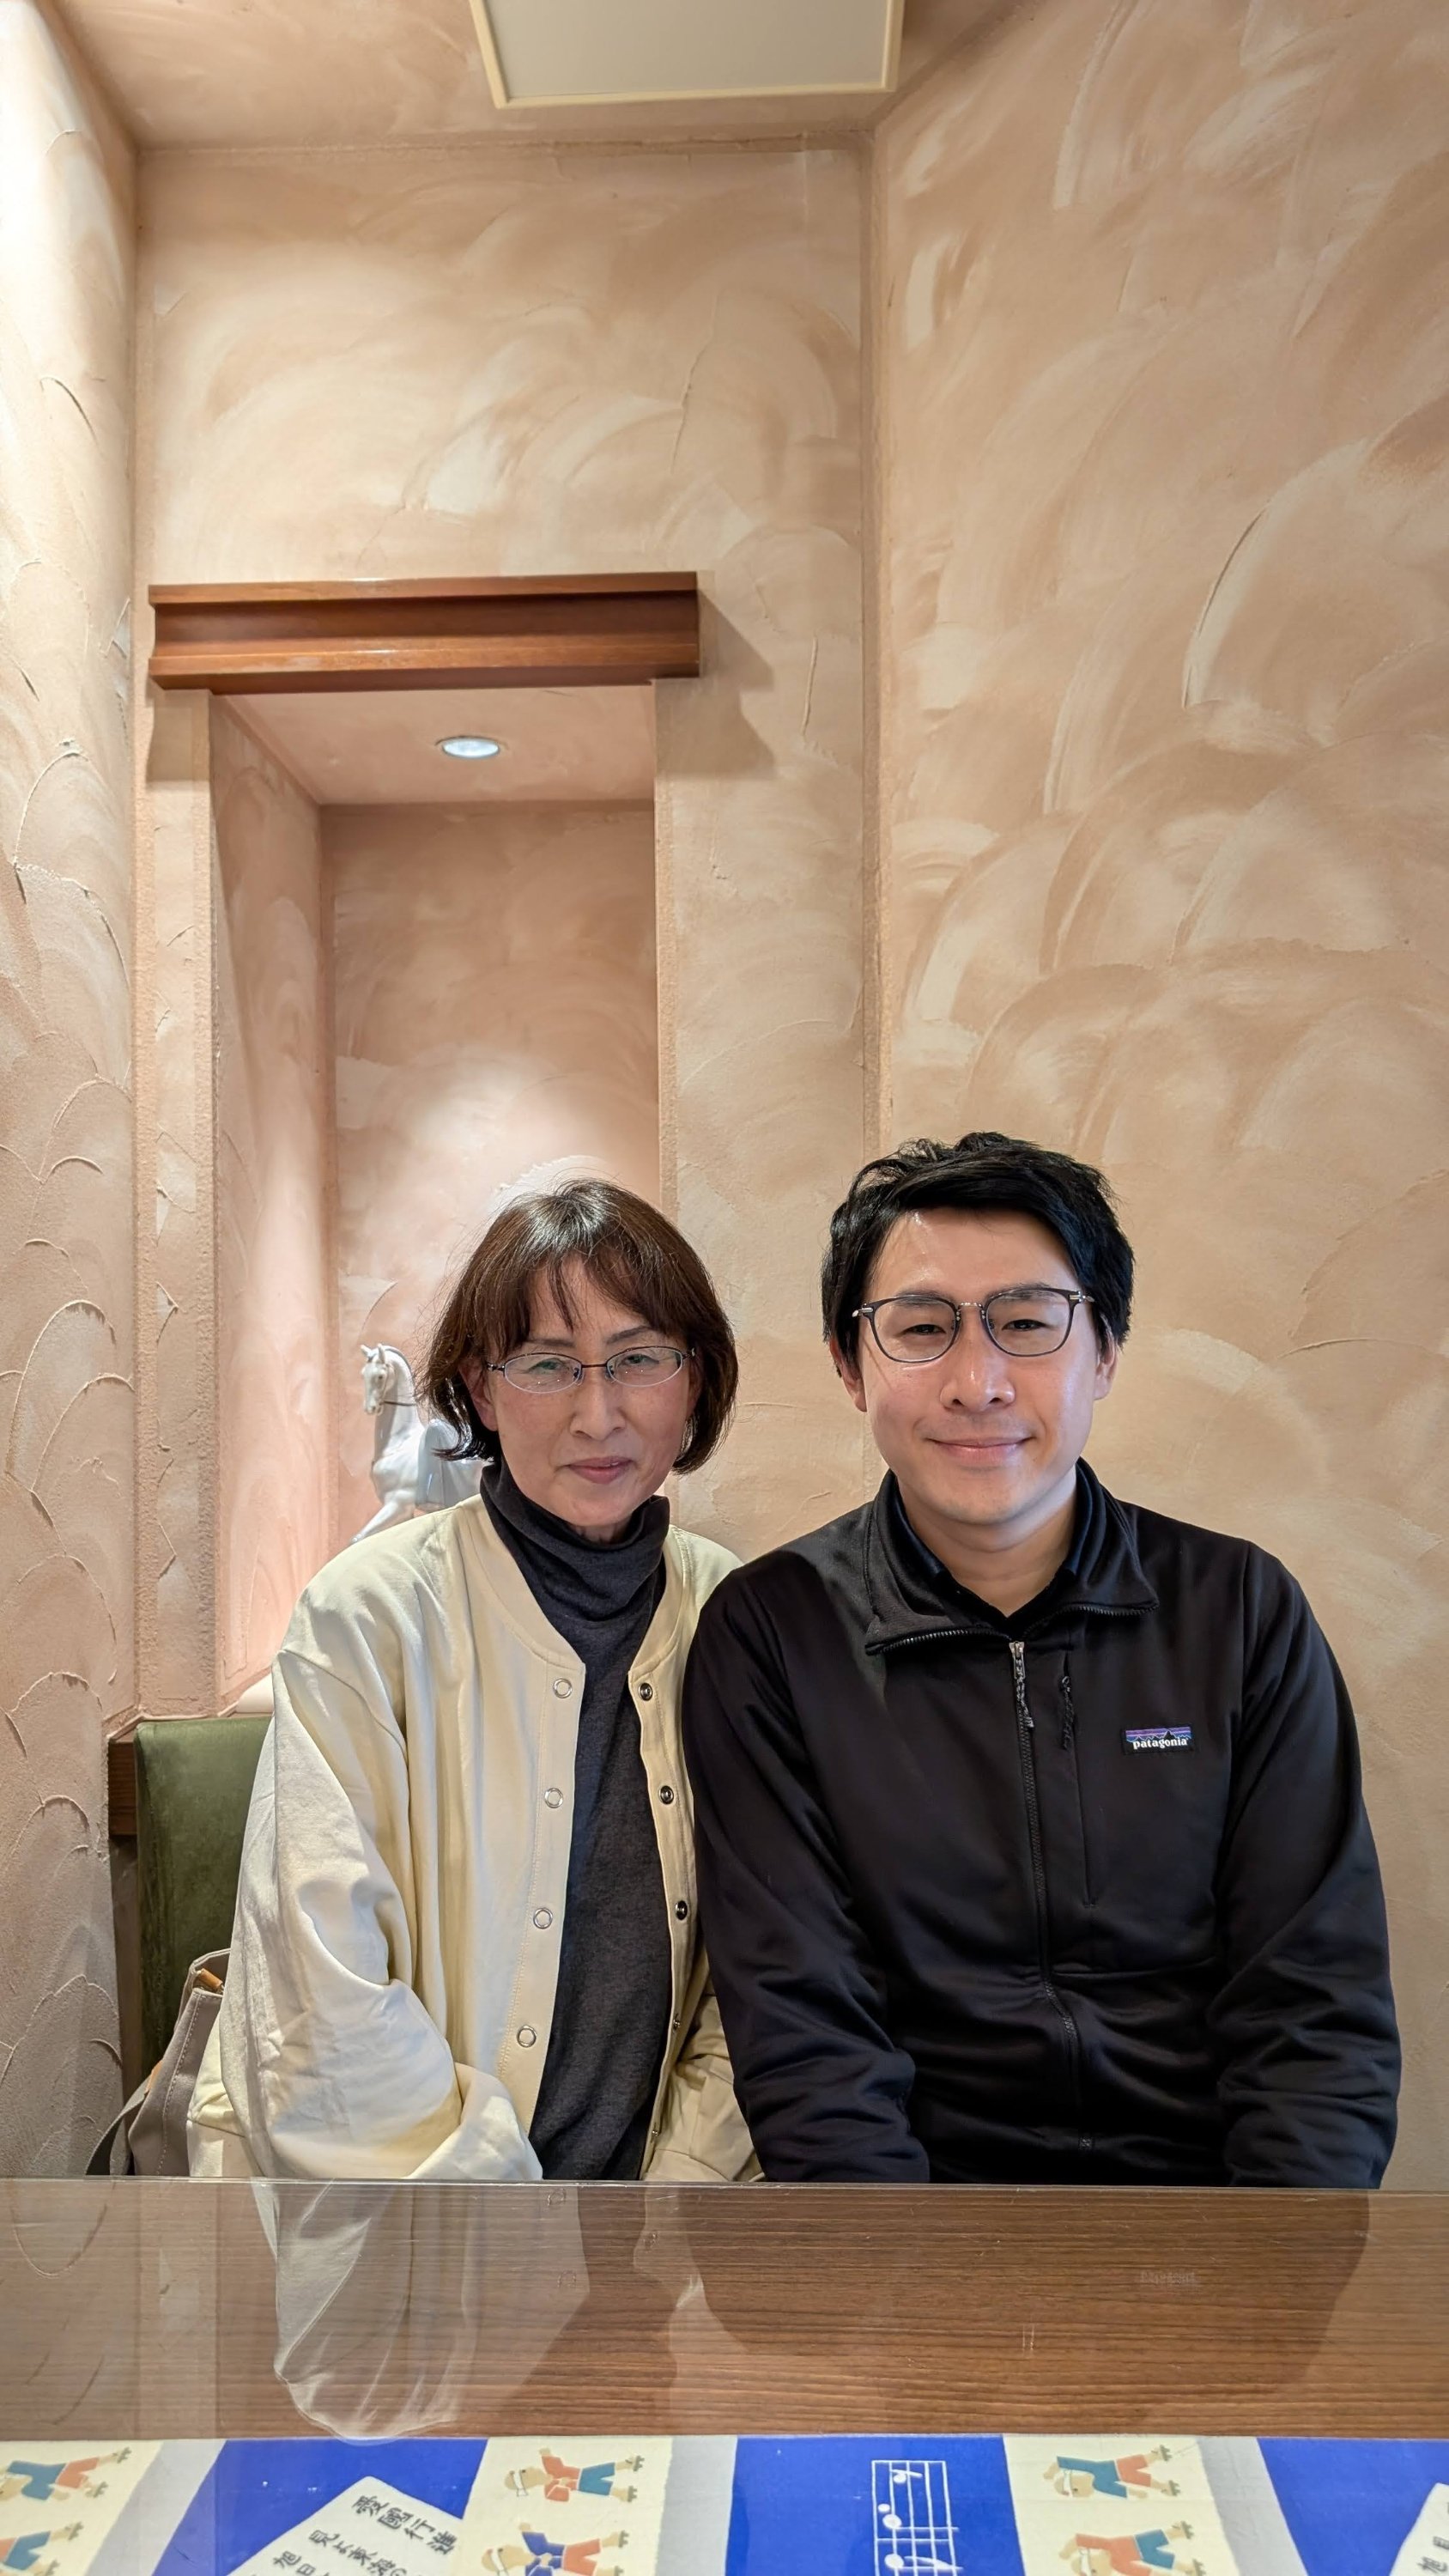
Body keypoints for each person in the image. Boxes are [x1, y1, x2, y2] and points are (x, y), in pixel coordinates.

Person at [683, 1132, 1399, 2186]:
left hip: (1215, 2220)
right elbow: (804, 2032)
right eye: (920, 1328)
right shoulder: (773, 1633)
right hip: (918, 2225)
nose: (976, 1382)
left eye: (1025, 1324)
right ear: (848, 1365)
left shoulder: (1237, 1611)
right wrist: (899, 2277)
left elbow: (1312, 2007)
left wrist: (1269, 2268)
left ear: (1103, 1352)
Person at [189, 1178, 753, 2184]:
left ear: (693, 1378)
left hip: (660, 2232)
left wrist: (676, 2204)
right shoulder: (365, 1617)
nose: (597, 1413)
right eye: (546, 1364)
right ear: (480, 1391)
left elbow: (763, 1977)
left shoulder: (736, 1618)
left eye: (637, 1359)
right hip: (404, 2218)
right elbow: (323, 2005)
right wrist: (508, 2235)